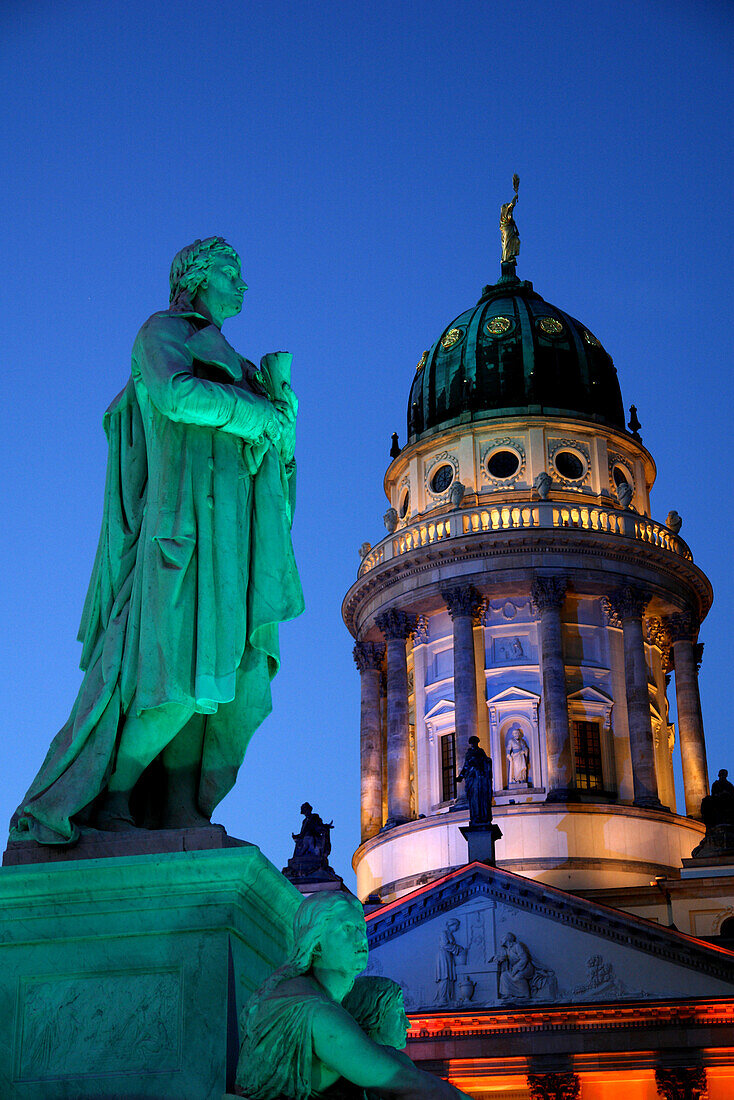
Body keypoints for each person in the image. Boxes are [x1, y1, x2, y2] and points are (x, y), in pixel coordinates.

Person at [10, 237, 304, 845]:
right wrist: (258, 416)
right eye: (230, 274)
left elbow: (270, 468)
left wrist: (283, 423)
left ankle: (179, 808)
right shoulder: (162, 333)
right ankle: (115, 796)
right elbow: (177, 395)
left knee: (225, 687)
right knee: (172, 682)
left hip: (232, 543)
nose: (242, 287)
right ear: (195, 279)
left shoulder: (244, 367)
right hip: (181, 533)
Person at [236, 893, 473, 1099]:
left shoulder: (310, 997)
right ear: (315, 943)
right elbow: (406, 1085)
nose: (361, 938)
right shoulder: (316, 1011)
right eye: (347, 929)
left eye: (361, 928)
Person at [457, 736, 494, 824]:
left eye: (474, 742)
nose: (473, 744)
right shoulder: (469, 753)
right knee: (474, 797)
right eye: (472, 743)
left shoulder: (480, 752)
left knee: (481, 797)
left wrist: (484, 762)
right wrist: (461, 776)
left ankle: (482, 815)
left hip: (480, 778)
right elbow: (466, 766)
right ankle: (475, 815)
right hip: (473, 778)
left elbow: (486, 761)